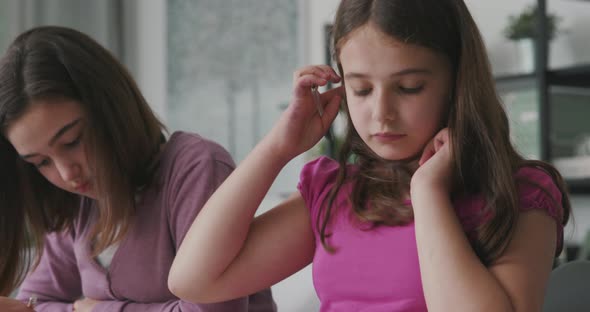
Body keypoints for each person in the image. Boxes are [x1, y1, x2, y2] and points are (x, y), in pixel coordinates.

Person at [168, 0, 572, 311]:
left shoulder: (520, 193)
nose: (381, 114)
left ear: (457, 81)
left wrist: (428, 192)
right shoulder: (337, 192)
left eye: (409, 87)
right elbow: (195, 280)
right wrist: (277, 148)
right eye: (361, 90)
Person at [0, 26, 276, 312]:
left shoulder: (196, 169)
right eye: (41, 162)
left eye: (72, 141)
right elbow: (32, 304)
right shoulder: (76, 204)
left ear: (111, 107)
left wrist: (98, 309)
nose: (67, 174)